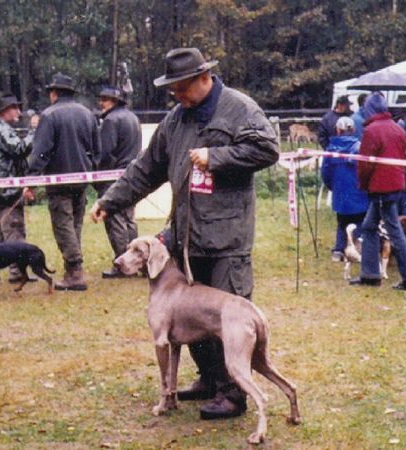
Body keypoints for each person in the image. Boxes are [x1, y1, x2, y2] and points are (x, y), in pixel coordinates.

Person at [90, 48, 279, 420]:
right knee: (193, 318)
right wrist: (111, 201)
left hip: (227, 240)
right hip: (186, 241)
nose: (176, 95)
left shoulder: (240, 109)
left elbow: (267, 149)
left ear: (204, 78)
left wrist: (218, 156)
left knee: (227, 318)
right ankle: (209, 379)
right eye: (173, 89)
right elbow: (147, 168)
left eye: (181, 88)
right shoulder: (176, 119)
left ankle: (232, 394)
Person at [26, 73, 100, 291]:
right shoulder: (87, 114)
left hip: (59, 180)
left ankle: (75, 271)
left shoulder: (49, 115)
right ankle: (73, 268)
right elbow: (97, 150)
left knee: (63, 225)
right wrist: (92, 171)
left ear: (54, 93)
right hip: (83, 178)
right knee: (74, 224)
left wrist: (30, 178)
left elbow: (41, 152)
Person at [350, 92, 406, 290]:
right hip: (395, 184)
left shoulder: (371, 131)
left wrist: (363, 184)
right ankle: (370, 274)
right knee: (369, 226)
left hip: (380, 188)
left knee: (394, 231)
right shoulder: (397, 128)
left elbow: (365, 164)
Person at [96, 86, 142, 278]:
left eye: (105, 100)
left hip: (114, 177)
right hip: (132, 174)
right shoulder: (133, 118)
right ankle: (138, 261)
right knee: (129, 219)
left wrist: (98, 172)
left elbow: (105, 152)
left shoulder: (111, 120)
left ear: (114, 102)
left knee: (115, 219)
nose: (101, 103)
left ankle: (122, 264)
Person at [0, 92, 35, 283]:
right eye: (15, 108)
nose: (18, 112)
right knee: (13, 229)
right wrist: (35, 131)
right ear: (4, 111)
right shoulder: (0, 129)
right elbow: (19, 149)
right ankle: (17, 271)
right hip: (7, 190)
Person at [322, 116, 369, 261]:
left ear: (338, 130)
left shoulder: (330, 150)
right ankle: (358, 247)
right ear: (353, 130)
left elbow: (325, 173)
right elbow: (367, 169)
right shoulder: (361, 148)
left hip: (340, 194)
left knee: (342, 222)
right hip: (360, 192)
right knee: (361, 222)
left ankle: (339, 250)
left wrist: (333, 188)